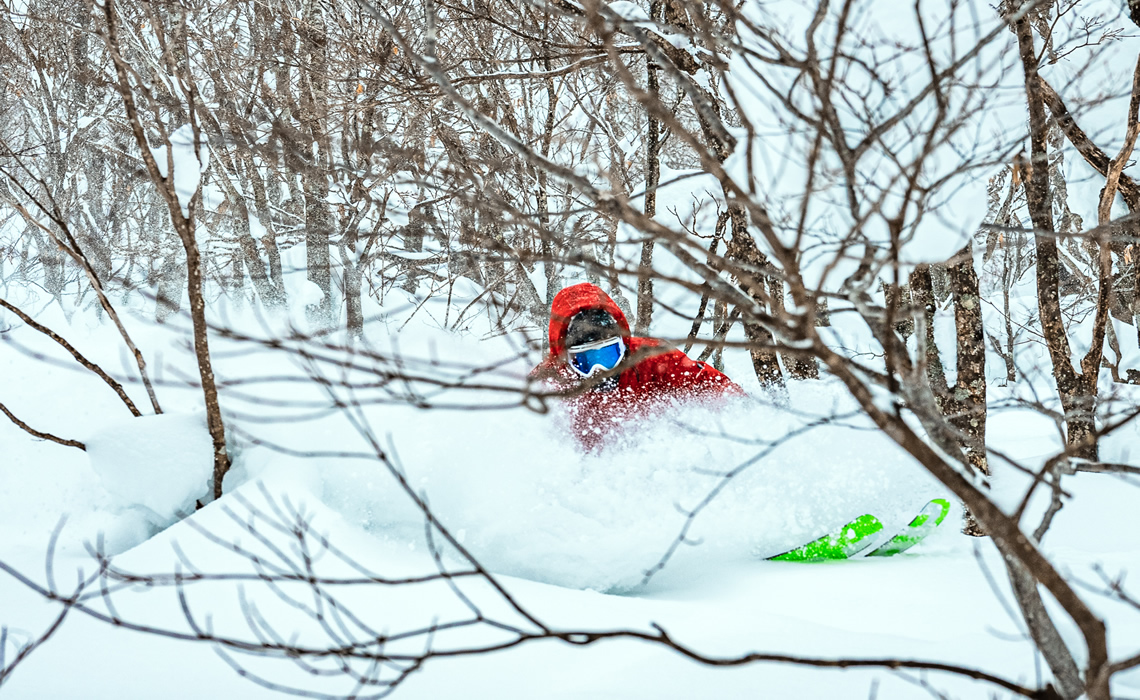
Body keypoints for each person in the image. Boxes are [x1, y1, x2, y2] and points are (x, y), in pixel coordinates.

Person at [532, 283, 743, 450]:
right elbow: (525, 435)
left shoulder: (654, 359)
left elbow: (715, 386)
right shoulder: (550, 384)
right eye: (584, 361)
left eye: (608, 355)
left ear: (623, 347)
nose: (599, 371)